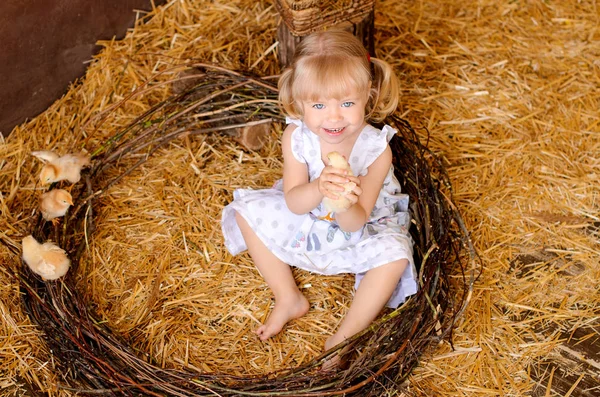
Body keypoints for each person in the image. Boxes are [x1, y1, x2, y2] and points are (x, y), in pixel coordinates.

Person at [221, 29, 417, 356]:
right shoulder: (297, 137)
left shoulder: (376, 151)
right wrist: (319, 186)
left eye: (348, 102)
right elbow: (294, 202)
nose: (334, 116)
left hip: (363, 222)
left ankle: (342, 339)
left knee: (396, 256)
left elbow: (356, 222)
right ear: (300, 103)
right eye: (319, 104)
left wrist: (345, 199)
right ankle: (288, 297)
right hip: (310, 210)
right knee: (244, 211)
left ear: (368, 95)